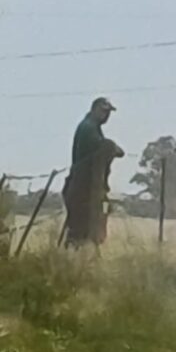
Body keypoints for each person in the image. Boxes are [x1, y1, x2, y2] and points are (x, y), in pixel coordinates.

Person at [62, 97, 124, 247]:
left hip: (85, 186)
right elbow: (104, 146)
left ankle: (80, 257)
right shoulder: (88, 127)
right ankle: (76, 260)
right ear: (94, 109)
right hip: (83, 187)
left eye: (108, 112)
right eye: (104, 112)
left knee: (86, 225)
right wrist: (113, 147)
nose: (106, 116)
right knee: (80, 229)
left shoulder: (93, 127)